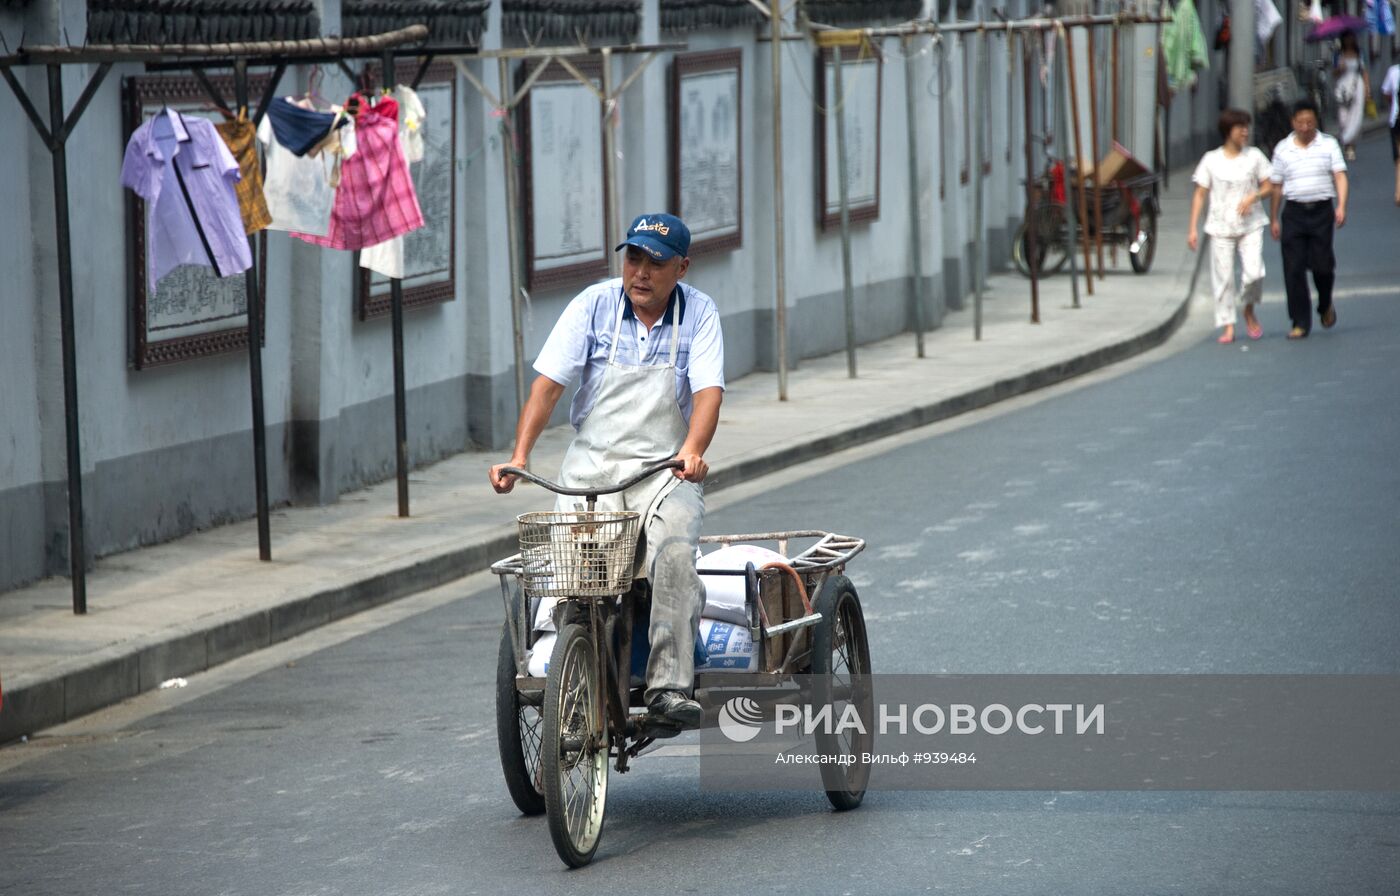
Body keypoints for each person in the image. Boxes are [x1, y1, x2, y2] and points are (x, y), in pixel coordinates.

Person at [489, 213, 725, 726]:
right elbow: (548, 386)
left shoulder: (700, 314)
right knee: (578, 579)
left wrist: (692, 450)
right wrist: (520, 456)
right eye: (633, 258)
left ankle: (667, 687)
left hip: (665, 473)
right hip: (591, 470)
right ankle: (576, 669)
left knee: (676, 552)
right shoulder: (593, 306)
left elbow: (709, 393)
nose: (640, 272)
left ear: (681, 268)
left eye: (655, 263)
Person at [1188, 108, 1274, 343]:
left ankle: (1248, 308)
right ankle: (1227, 324)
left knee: (1254, 272)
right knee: (1223, 277)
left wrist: (1253, 197)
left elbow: (1270, 185)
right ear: (1228, 131)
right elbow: (1200, 193)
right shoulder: (1211, 159)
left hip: (1251, 223)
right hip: (1220, 225)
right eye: (1240, 128)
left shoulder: (1254, 156)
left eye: (1247, 127)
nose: (1245, 132)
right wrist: (1192, 228)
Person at [1268, 99, 1348, 340]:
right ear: (1293, 122)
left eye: (1309, 122)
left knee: (1323, 266)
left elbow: (1340, 176)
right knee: (1293, 269)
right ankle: (1300, 321)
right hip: (1293, 213)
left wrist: (1341, 205)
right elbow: (1277, 186)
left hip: (1322, 211)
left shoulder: (1328, 144)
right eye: (1300, 122)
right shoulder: (1283, 149)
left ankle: (1325, 304)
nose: (1305, 127)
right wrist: (1274, 217)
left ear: (1316, 122)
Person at [1333, 32, 1369, 162]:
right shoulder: (1338, 54)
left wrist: (1367, 89)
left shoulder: (1359, 53)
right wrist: (1339, 68)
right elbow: (1334, 73)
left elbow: (1364, 71)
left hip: (1356, 84)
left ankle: (1350, 146)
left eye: (1351, 38)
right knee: (1343, 117)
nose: (1349, 40)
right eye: (1346, 38)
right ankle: (1346, 140)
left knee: (1355, 115)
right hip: (1343, 85)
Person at [1381, 61, 1400, 205]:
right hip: (1396, 119)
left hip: (1397, 117)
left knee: (1399, 157)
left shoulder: (1394, 71)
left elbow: (1386, 93)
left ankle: (1398, 191)